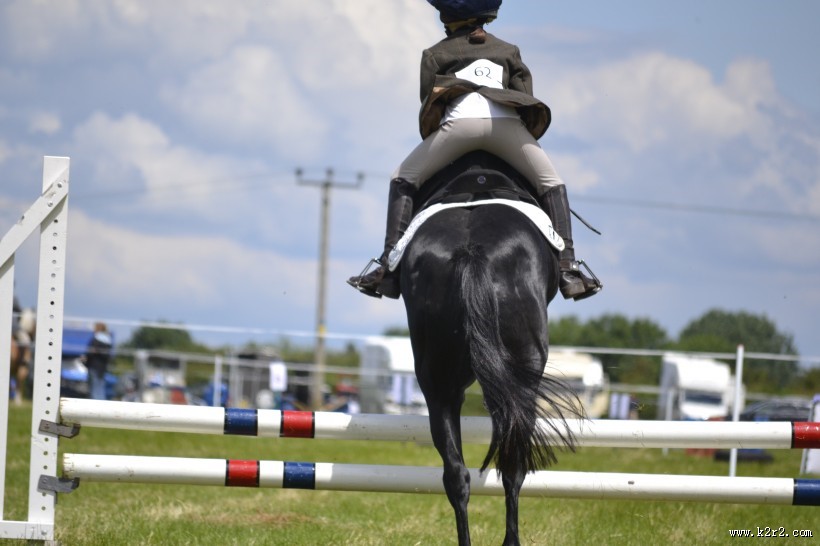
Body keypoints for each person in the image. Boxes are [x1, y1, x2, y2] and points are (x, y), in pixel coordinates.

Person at [348, 0, 601, 301]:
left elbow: (431, 107)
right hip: (505, 128)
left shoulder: (434, 54)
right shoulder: (509, 51)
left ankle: (387, 271)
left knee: (402, 177)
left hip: (459, 127)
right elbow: (525, 98)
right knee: (552, 182)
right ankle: (569, 269)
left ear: (450, 19)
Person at [84, 322, 113, 400]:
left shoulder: (95, 339)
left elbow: (89, 353)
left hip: (93, 366)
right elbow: (108, 356)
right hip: (102, 368)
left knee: (93, 390)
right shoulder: (108, 340)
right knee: (100, 389)